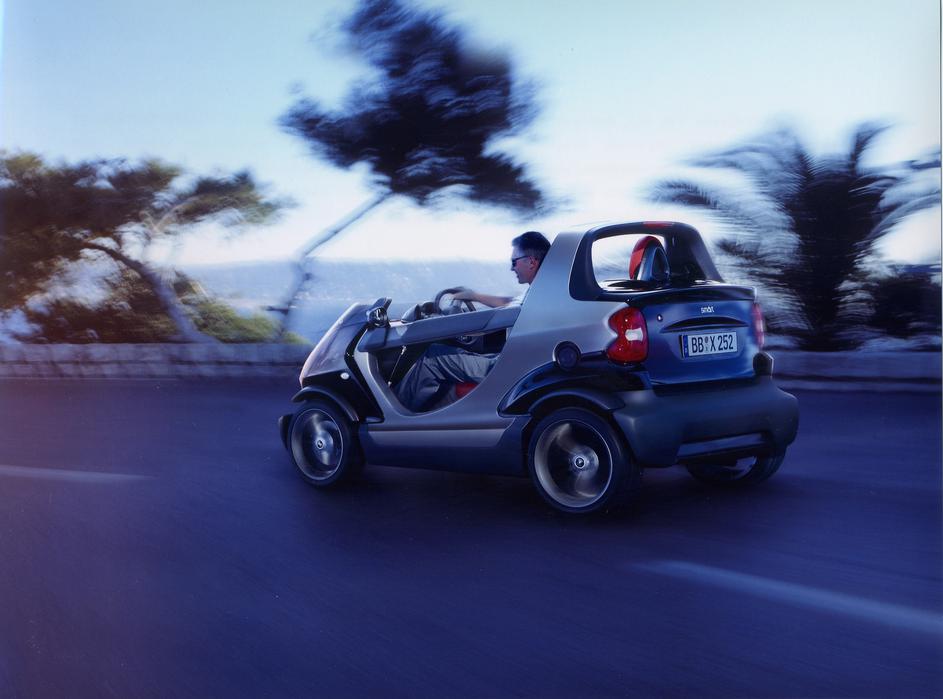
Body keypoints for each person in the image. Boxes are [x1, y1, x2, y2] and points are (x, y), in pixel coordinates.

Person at [394, 231, 551, 412]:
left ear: (531, 262)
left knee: (431, 359)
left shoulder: (538, 293)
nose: (511, 268)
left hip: (506, 367)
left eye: (514, 262)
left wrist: (452, 325)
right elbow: (509, 303)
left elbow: (497, 319)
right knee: (446, 352)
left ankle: (397, 417)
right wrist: (473, 296)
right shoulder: (543, 290)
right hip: (516, 361)